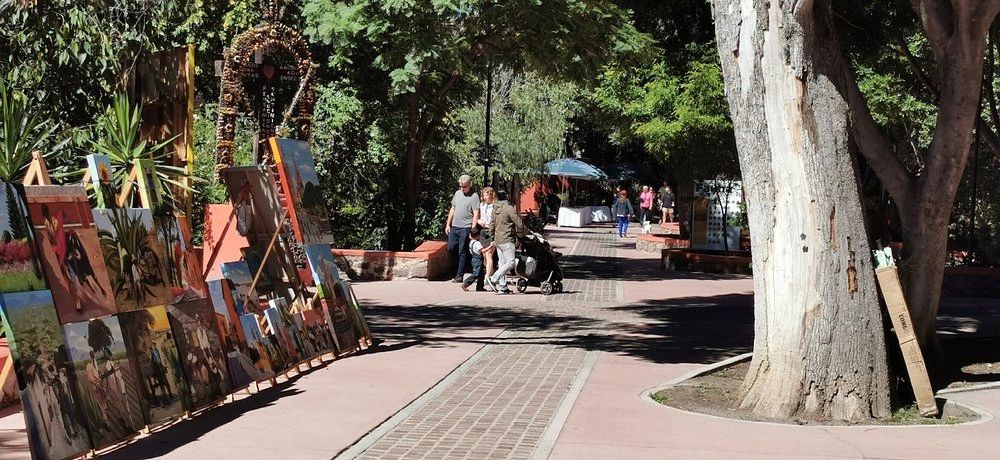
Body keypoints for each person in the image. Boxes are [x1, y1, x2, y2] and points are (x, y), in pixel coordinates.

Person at [444, 175, 480, 283]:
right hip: (455, 226)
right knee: (451, 248)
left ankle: (459, 275)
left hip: (466, 227)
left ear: (470, 185)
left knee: (462, 251)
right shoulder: (457, 193)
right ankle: (456, 269)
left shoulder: (474, 196)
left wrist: (473, 228)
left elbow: (476, 213)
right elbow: (453, 209)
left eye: (464, 186)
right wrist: (448, 224)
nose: (462, 188)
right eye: (460, 186)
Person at [486, 200, 526, 295]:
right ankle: (493, 278)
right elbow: (519, 223)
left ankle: (502, 287)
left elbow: (491, 225)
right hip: (507, 239)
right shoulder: (509, 209)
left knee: (502, 263)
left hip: (498, 240)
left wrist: (492, 238)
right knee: (511, 262)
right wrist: (527, 231)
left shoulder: (495, 209)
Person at [477, 187, 498, 288]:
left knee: (489, 254)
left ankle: (487, 277)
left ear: (491, 195)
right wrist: (478, 221)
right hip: (483, 230)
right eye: (483, 195)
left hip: (491, 231)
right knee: (484, 254)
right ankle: (491, 272)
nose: (484, 197)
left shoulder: (495, 206)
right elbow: (477, 217)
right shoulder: (482, 205)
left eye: (486, 195)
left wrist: (491, 225)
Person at [462, 227, 487, 291]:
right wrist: (490, 246)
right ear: (478, 236)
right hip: (477, 259)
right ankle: (466, 283)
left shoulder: (471, 242)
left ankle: (480, 287)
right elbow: (483, 250)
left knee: (481, 274)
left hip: (474, 258)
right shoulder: (477, 243)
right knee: (476, 273)